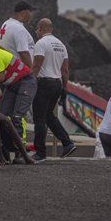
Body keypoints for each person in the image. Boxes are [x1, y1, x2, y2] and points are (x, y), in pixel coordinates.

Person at [30, 18, 76, 162]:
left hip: (43, 83)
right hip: (57, 83)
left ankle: (40, 153)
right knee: (49, 116)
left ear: (41, 28)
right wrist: (65, 88)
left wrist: (30, 82)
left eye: (37, 30)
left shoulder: (41, 43)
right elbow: (65, 69)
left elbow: (37, 65)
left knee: (39, 119)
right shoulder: (61, 45)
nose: (36, 32)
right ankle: (67, 143)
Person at [0, 1, 35, 69]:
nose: (31, 15)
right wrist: (31, 70)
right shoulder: (19, 29)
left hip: (7, 66)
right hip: (18, 70)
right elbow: (23, 52)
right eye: (30, 12)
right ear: (23, 13)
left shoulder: (6, 23)